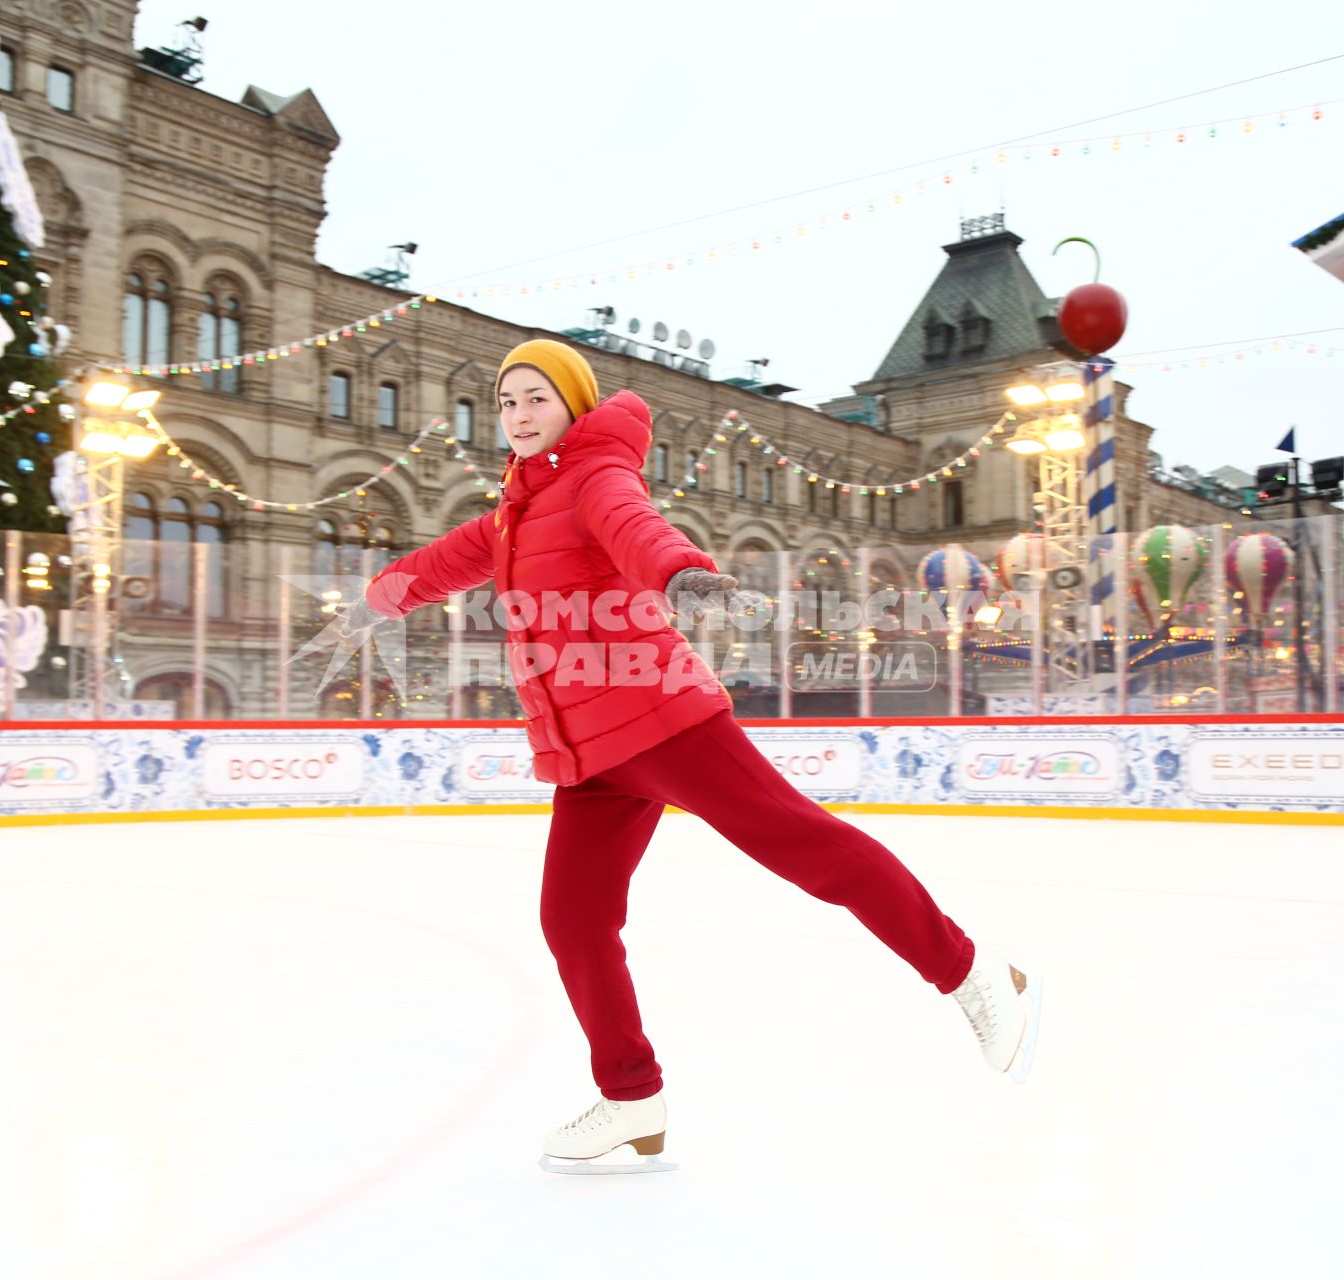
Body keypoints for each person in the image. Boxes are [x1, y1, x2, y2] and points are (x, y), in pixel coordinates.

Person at [334, 339, 1041, 1173]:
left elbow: (636, 527)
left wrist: (680, 575)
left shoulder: (595, 475)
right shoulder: (514, 511)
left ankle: (972, 972)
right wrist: (373, 602)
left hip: (661, 718)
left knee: (809, 849)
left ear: (572, 405)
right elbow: (442, 564)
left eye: (536, 399)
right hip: (588, 753)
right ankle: (631, 1096)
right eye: (507, 401)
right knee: (573, 920)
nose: (520, 416)